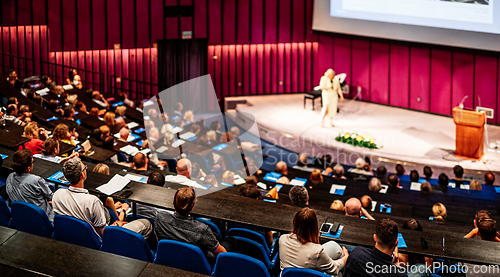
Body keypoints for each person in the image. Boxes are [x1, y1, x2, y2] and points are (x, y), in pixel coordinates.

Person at [52, 157, 152, 238]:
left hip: (70, 237)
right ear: (83, 174)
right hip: (97, 242)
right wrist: (117, 224)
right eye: (85, 168)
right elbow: (103, 232)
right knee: (146, 224)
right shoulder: (92, 201)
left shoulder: (57, 194)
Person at [154, 186, 235, 264]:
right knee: (231, 240)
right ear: (192, 205)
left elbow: (160, 241)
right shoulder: (202, 229)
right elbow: (222, 253)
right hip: (196, 264)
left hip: (168, 257)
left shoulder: (160, 218)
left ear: (174, 201)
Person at [280, 208, 348, 275]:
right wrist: (346, 257)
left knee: (333, 245)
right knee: (337, 272)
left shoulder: (282, 239)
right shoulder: (317, 251)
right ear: (315, 226)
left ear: (294, 222)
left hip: (287, 275)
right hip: (309, 272)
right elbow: (334, 269)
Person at [6, 149, 54, 222]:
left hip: (21, 219)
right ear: (28, 168)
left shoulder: (9, 177)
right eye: (32, 162)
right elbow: (51, 197)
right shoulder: (37, 180)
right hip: (43, 219)